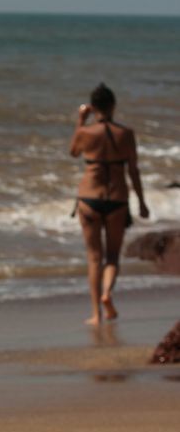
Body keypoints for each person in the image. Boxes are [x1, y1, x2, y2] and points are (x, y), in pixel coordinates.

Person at [70, 83, 149, 324]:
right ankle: (107, 293)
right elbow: (133, 172)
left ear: (93, 107)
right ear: (113, 105)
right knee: (112, 257)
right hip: (117, 198)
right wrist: (142, 203)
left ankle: (96, 314)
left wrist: (81, 121)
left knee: (94, 257)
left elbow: (73, 152)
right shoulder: (126, 134)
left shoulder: (86, 132)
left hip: (89, 198)